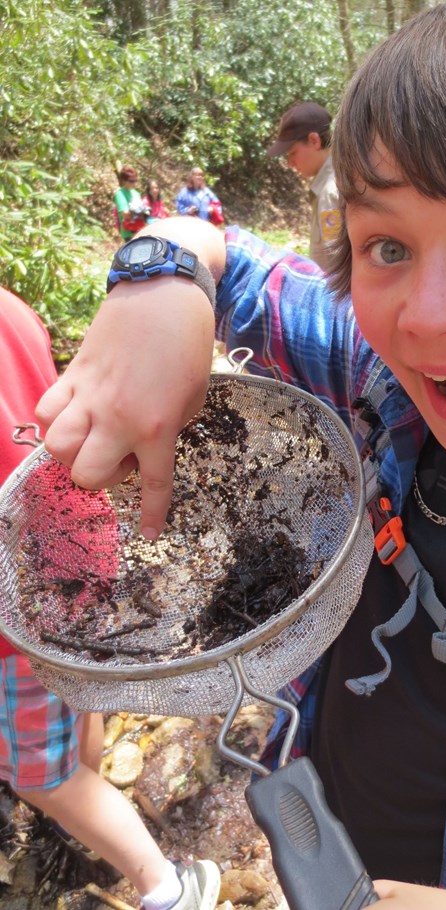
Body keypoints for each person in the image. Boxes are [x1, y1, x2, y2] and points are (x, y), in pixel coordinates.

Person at [34, 1, 446, 908]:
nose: (429, 314)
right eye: (388, 245)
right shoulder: (379, 373)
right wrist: (155, 277)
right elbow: (221, 255)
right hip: (327, 827)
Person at [0, 286, 221, 910]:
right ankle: (90, 786)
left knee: (41, 776)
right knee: (80, 686)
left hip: (20, 607)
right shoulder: (12, 306)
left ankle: (167, 884)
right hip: (83, 540)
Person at [267, 101, 341, 272]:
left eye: (293, 153)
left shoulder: (330, 190)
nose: (290, 163)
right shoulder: (336, 178)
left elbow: (337, 266)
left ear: (314, 140)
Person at [113, 165, 150, 241]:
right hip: (128, 232)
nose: (134, 183)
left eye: (136, 180)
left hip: (140, 230)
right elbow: (124, 214)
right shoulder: (120, 194)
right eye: (131, 181)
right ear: (124, 181)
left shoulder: (136, 194)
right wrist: (137, 212)